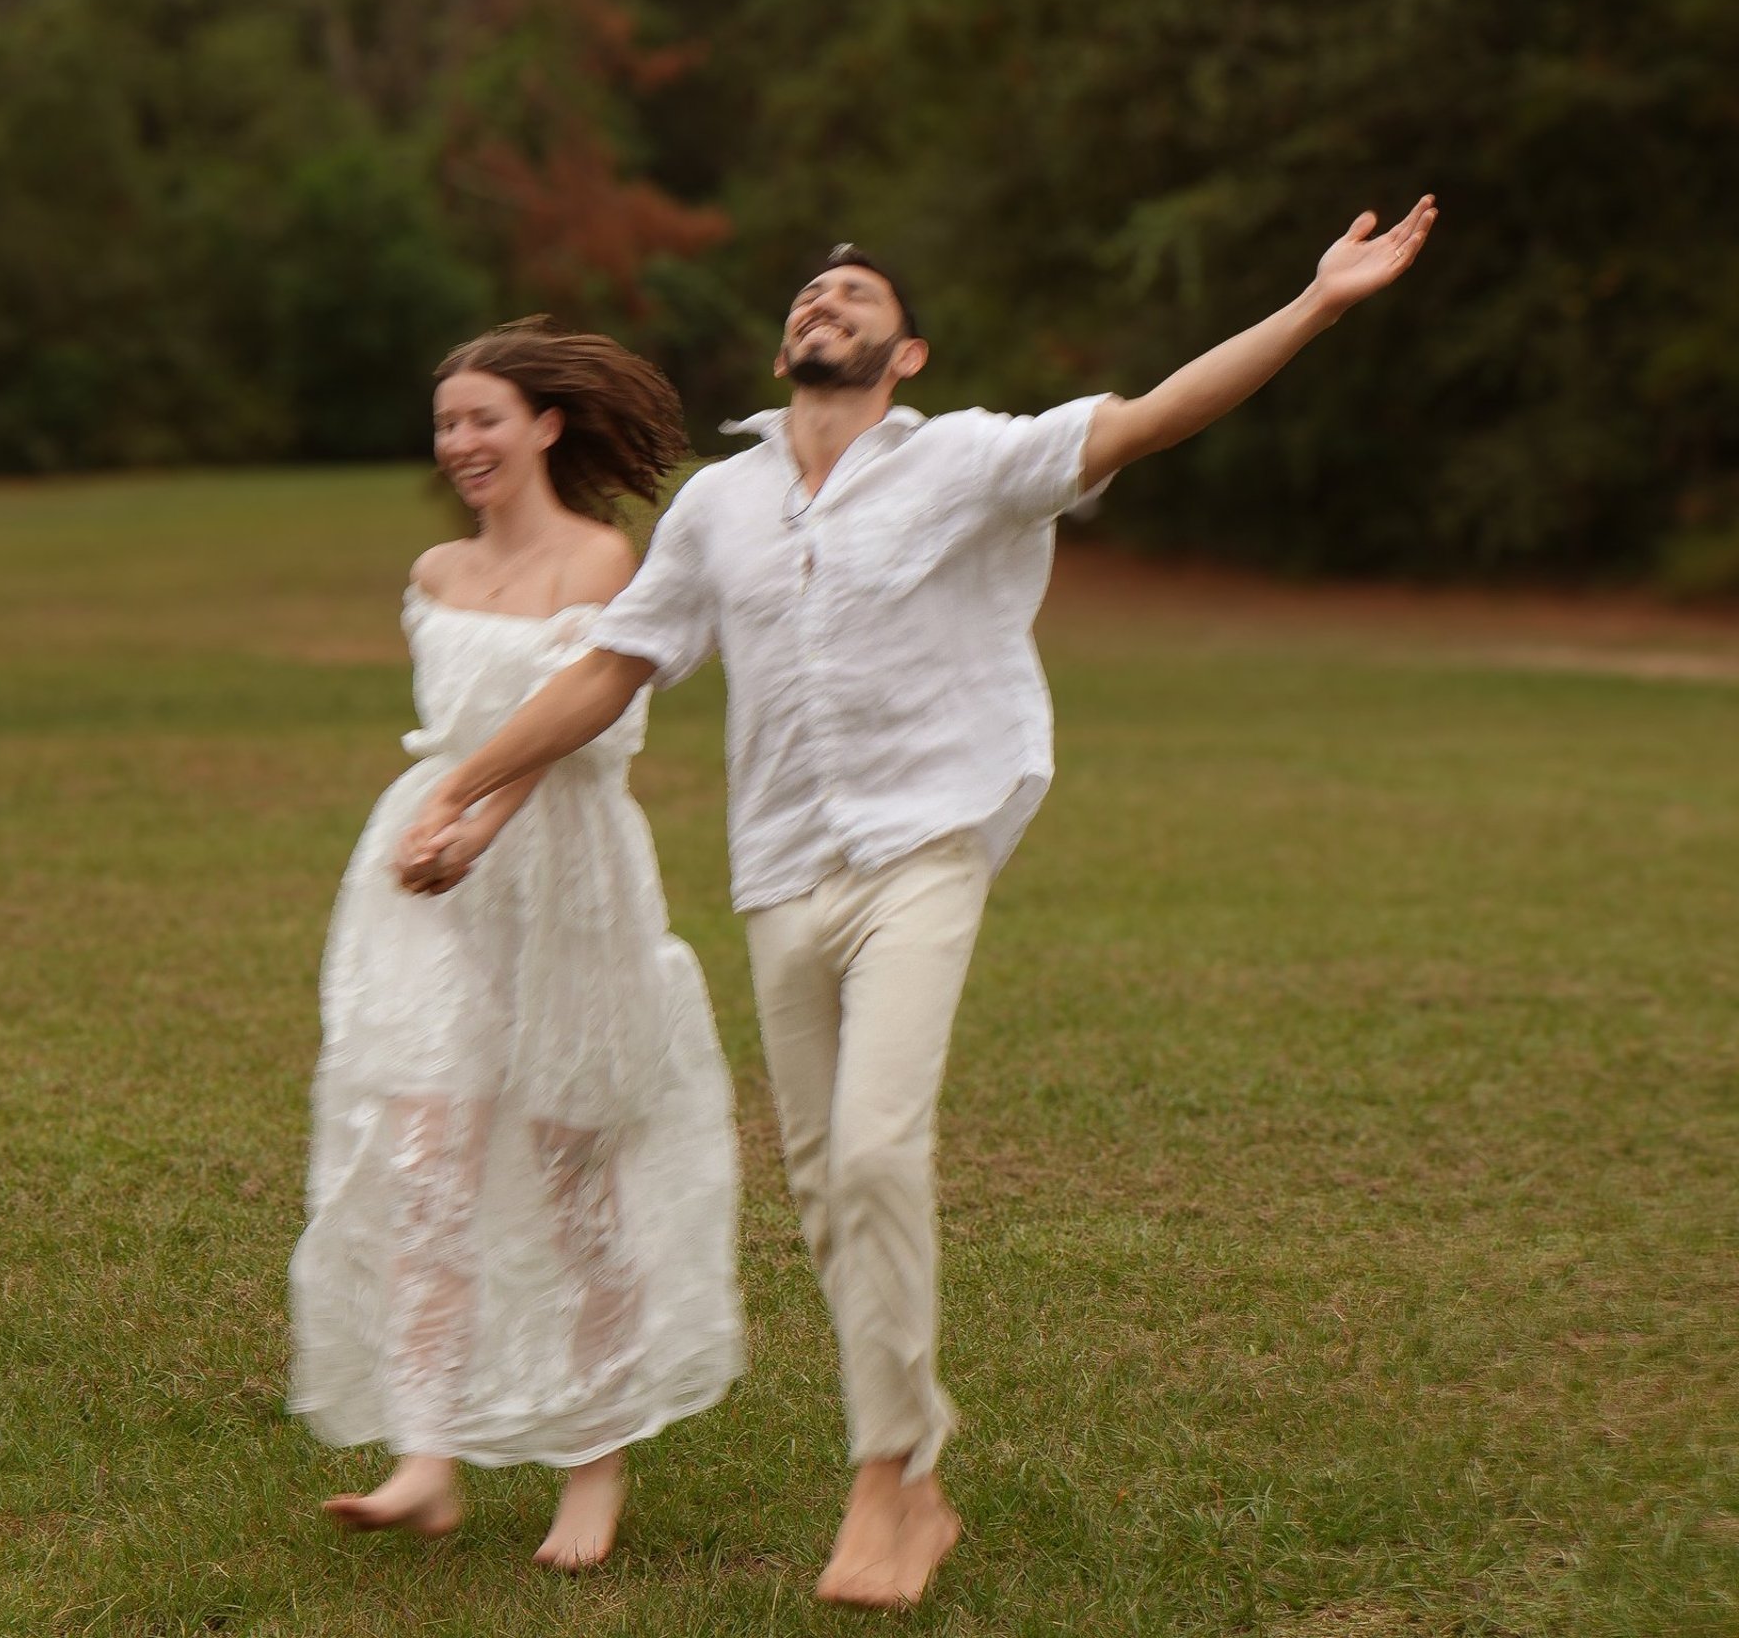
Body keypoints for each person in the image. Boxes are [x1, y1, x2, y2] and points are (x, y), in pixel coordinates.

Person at [397, 199, 1438, 1607]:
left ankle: (888, 1480)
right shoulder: (719, 507)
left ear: (908, 354)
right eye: (810, 296)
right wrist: (466, 785)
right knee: (831, 1190)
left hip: (923, 850)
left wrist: (1317, 304)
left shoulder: (966, 459)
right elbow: (611, 673)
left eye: (857, 296)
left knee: (880, 1152)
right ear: (785, 351)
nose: (825, 304)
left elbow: (1151, 417)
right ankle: (916, 1468)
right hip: (781, 873)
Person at [288, 319, 742, 1567]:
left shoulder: (603, 556)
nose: (461, 443)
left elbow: (580, 729)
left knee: (570, 1176)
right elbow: (456, 730)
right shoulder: (435, 572)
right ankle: (425, 1459)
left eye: (483, 417)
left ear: (546, 424)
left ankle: (593, 1468)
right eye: (446, 424)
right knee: (428, 1159)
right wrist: (442, 827)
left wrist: (479, 818)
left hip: (564, 874)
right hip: (431, 881)